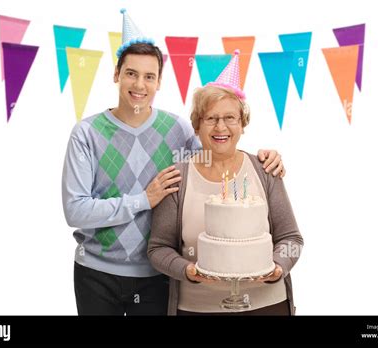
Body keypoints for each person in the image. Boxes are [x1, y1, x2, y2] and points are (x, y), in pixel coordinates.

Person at [62, 9, 285, 316]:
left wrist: (261, 159)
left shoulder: (177, 130)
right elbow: (75, 211)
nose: (139, 84)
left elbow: (216, 159)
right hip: (96, 273)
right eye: (131, 73)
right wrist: (143, 199)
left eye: (149, 76)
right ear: (116, 75)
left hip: (157, 276)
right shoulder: (86, 133)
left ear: (159, 82)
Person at [147, 52, 303, 315]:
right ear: (197, 126)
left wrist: (278, 267)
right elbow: (158, 249)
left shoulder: (265, 170)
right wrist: (189, 271)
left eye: (230, 118)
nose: (221, 127)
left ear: (242, 124)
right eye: (211, 118)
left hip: (266, 305)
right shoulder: (177, 177)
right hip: (199, 307)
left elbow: (292, 239)